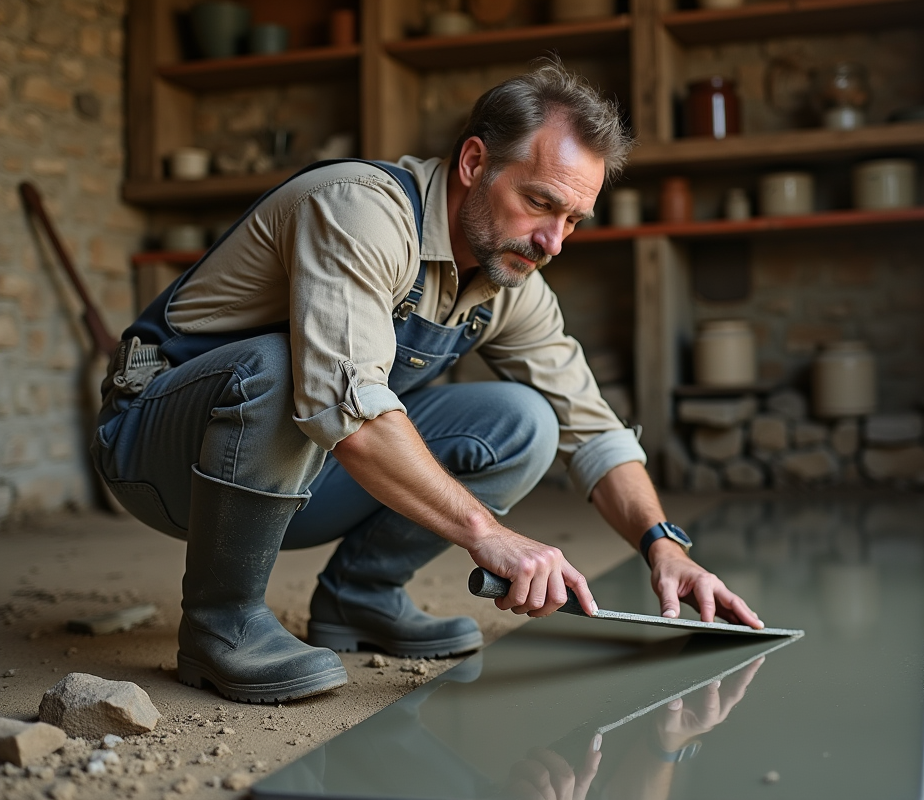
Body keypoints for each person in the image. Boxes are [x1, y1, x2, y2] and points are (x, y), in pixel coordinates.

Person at [91, 60, 763, 705]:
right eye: (539, 203)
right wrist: (486, 533)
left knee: (525, 422)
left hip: (300, 472)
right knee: (285, 363)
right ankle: (223, 622)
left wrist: (664, 546)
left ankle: (360, 598)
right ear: (474, 163)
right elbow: (342, 400)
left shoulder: (507, 279)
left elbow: (591, 428)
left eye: (572, 221)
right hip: (159, 454)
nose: (553, 242)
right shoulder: (360, 209)